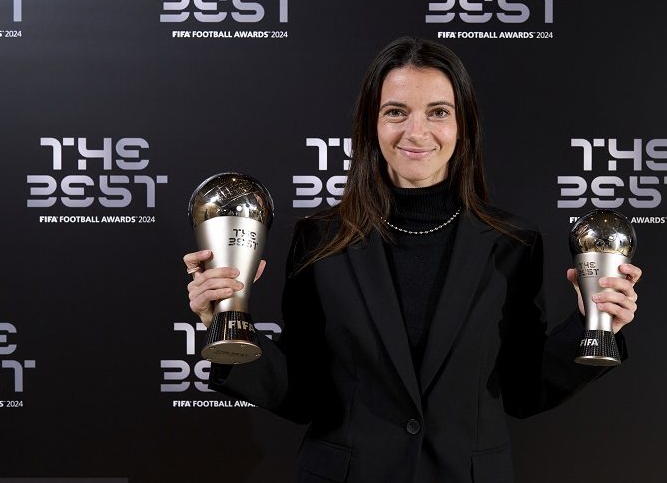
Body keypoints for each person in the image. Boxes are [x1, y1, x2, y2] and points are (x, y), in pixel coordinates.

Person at [184, 37, 641, 483]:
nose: (415, 132)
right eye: (395, 112)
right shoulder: (320, 239)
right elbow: (302, 395)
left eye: (438, 112)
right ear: (372, 125)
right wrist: (224, 323)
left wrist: (596, 328)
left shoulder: (512, 243)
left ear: (463, 126)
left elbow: (523, 390)